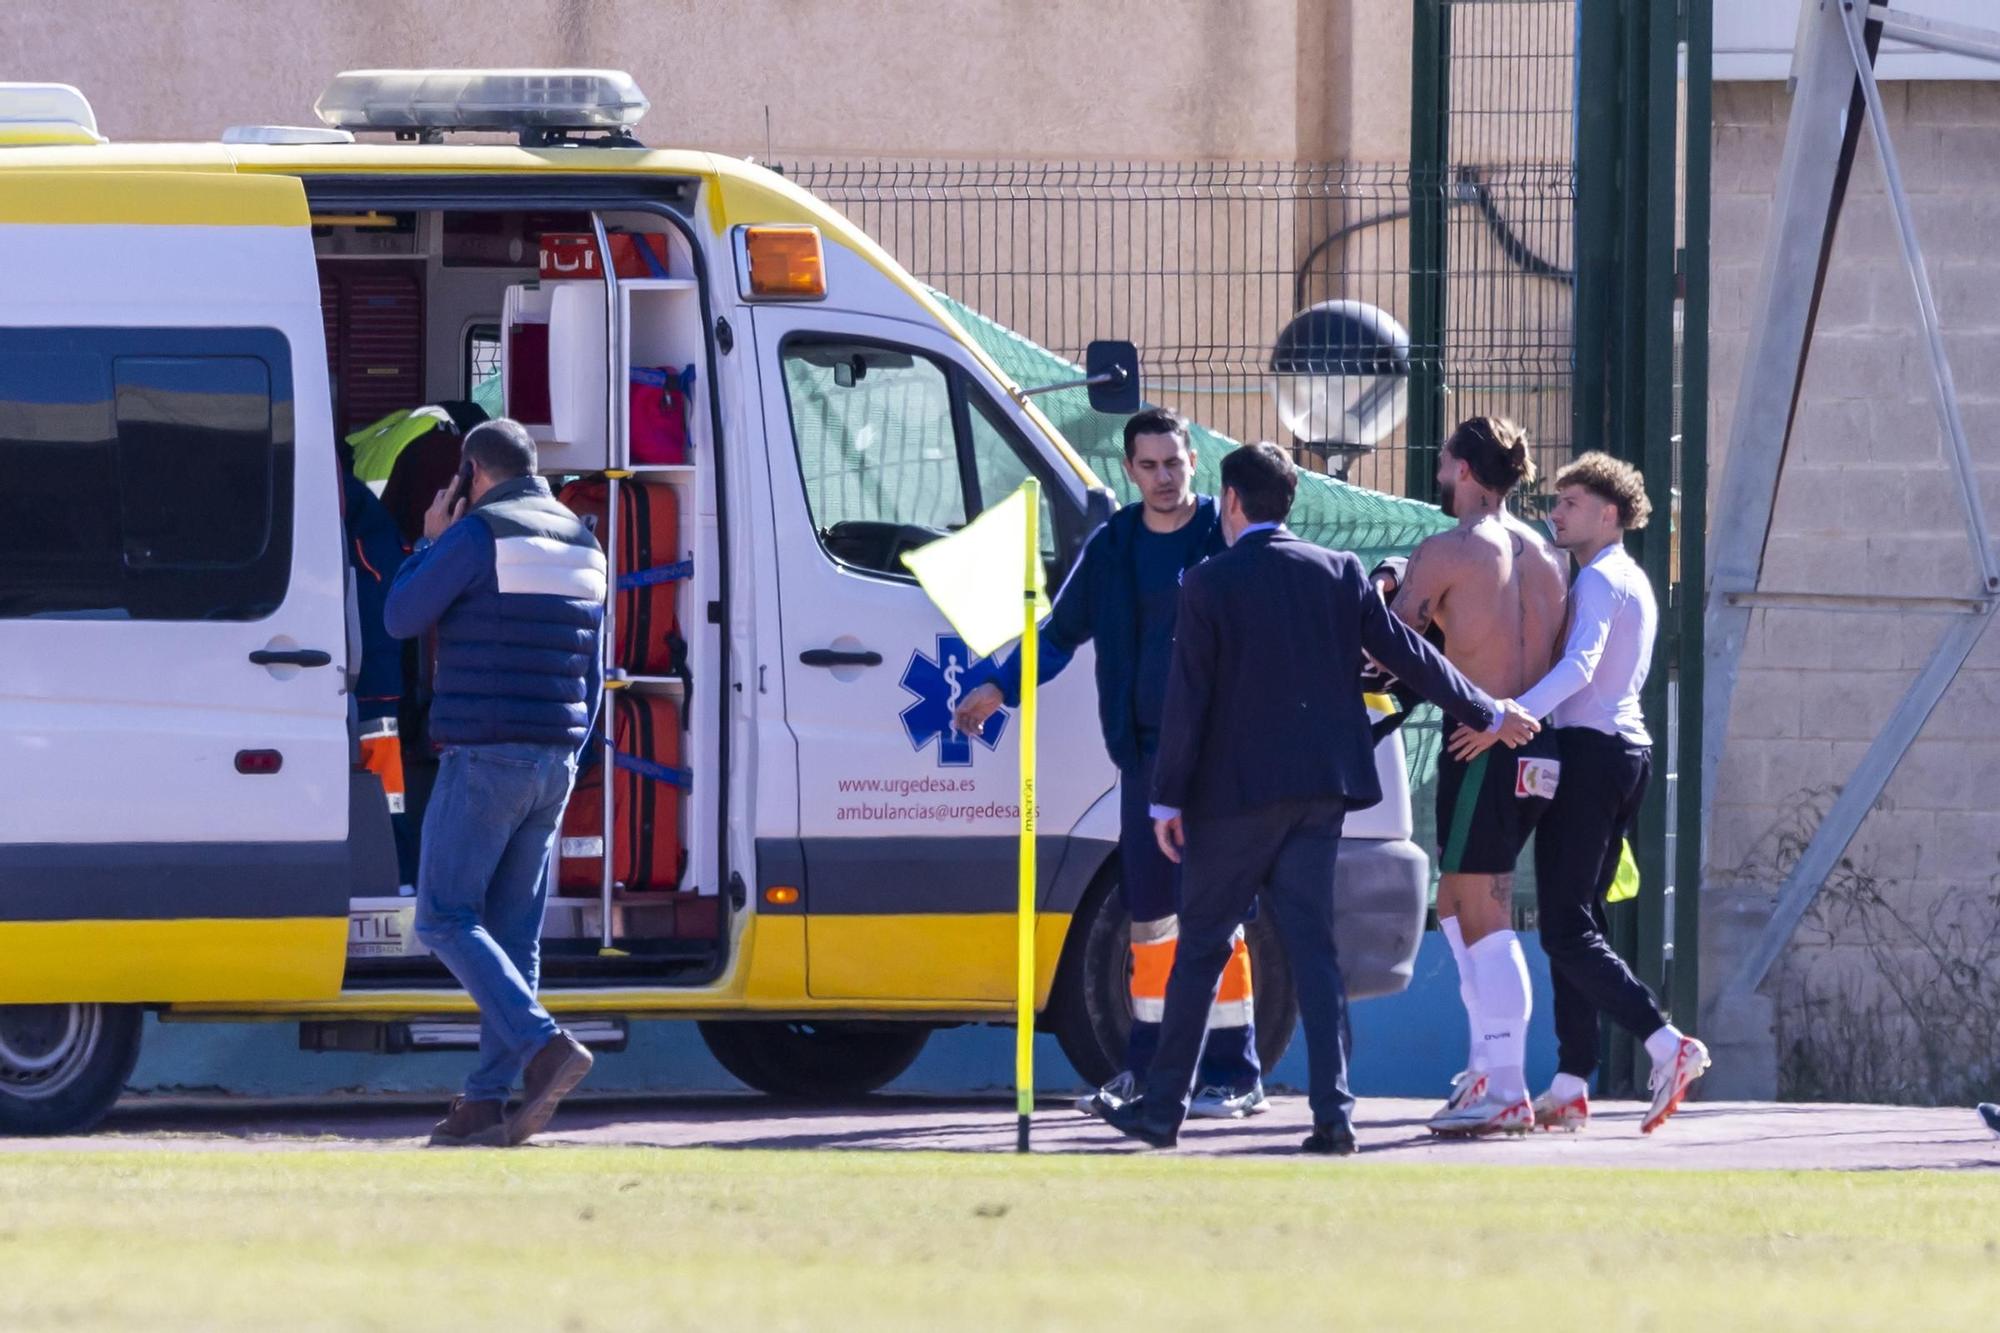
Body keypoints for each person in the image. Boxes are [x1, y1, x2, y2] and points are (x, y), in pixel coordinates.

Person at [1092, 442, 1539, 1153]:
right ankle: (1334, 1115)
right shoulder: (1339, 571)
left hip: (1232, 798)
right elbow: (1410, 654)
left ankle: (1160, 1110)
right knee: (1315, 954)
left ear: (1232, 503)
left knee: (1201, 946)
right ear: (1289, 500)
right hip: (1320, 793)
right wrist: (1487, 709)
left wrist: (1165, 799)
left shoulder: (1207, 582)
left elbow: (1187, 701)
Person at [955, 408, 1266, 1119]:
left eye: (1174, 463)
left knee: (1217, 913)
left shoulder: (1229, 537)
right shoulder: (1115, 546)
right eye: (1148, 465)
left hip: (1221, 762)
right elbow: (1061, 634)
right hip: (1147, 760)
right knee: (1151, 918)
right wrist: (999, 686)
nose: (1163, 477)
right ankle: (1148, 1070)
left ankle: (1234, 1072)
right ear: (1128, 471)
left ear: (1195, 461)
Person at [1449, 451, 1709, 1134]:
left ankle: (1665, 1044)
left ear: (1609, 513)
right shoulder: (1628, 577)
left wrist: (1506, 715)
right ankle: (1571, 1079)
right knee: (1577, 919)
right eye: (1555, 502)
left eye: (1570, 503)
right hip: (1625, 756)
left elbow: (1580, 665)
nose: (1555, 512)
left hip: (1594, 756)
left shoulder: (1599, 579)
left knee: (1563, 925)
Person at [383, 418, 607, 1148]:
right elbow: (593, 675)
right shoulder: (584, 542)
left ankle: (545, 1045)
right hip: (556, 759)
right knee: (513, 933)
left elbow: (400, 614)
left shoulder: (478, 537)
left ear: (472, 475)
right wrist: (572, 748)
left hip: (485, 754)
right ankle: (485, 1102)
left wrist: (430, 537)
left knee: (443, 915)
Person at [1388, 417, 1568, 1137]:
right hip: (1535, 743)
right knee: (1456, 910)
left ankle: (1509, 1084)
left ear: (1464, 468)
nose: (1437, 473)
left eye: (1442, 461)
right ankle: (1486, 1069)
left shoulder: (1449, 550)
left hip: (1484, 746)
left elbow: (1394, 639)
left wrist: (1394, 584)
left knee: (1485, 913)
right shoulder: (1549, 555)